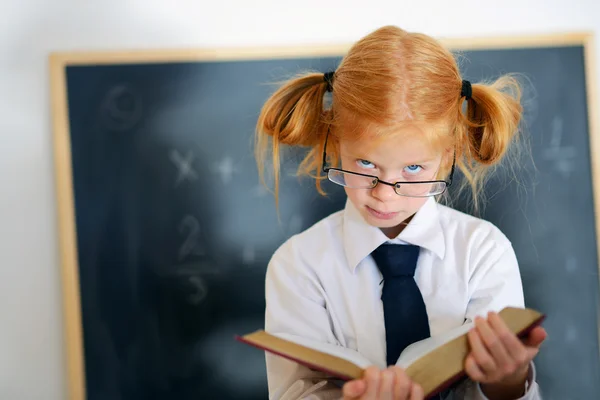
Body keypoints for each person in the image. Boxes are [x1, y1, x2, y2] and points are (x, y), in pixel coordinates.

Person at [254, 25, 548, 400]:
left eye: (412, 169)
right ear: (335, 143)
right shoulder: (299, 266)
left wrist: (508, 380)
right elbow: (293, 393)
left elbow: (505, 387)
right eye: (365, 164)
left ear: (446, 157)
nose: (384, 194)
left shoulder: (483, 252)